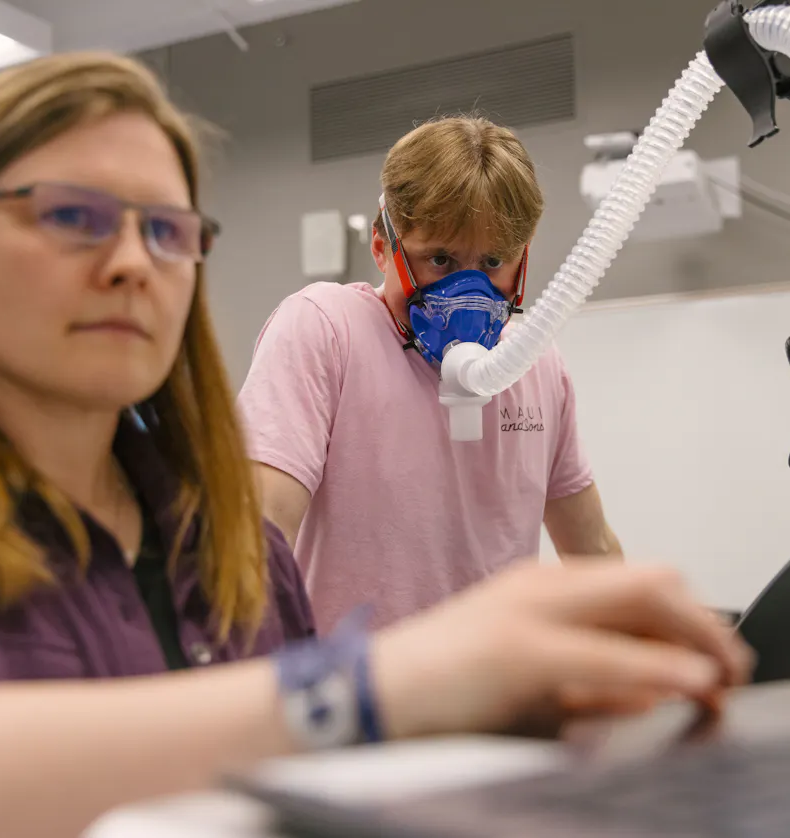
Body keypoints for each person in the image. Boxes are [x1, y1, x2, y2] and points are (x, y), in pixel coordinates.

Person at [0, 53, 751, 838]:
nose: (134, 262)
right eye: (72, 216)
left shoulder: (222, 548)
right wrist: (386, 686)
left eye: (166, 230)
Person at [239, 115, 621, 633]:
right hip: (361, 702)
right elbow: (258, 537)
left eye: (492, 262)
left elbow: (593, 549)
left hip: (496, 700)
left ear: (523, 259)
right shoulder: (326, 331)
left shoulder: (536, 363)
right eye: (440, 259)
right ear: (382, 247)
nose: (469, 288)